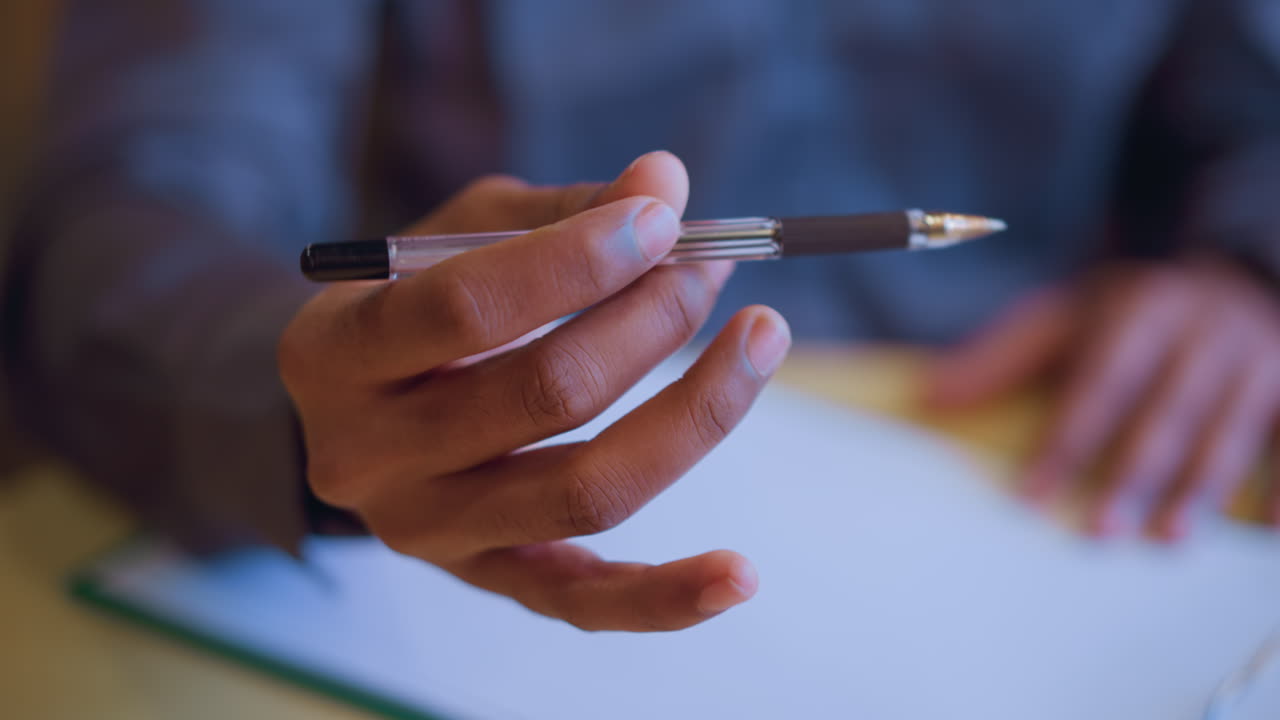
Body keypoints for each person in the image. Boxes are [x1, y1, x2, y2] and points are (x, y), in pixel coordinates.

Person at [4, 0, 1280, 632]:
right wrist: (307, 412)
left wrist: (1247, 274)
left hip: (1018, 469)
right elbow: (131, 212)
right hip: (446, 527)